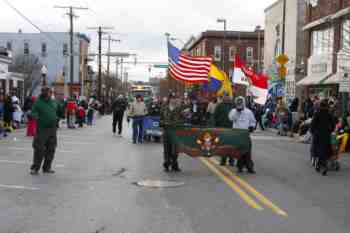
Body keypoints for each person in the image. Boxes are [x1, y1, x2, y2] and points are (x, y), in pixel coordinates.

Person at [30, 87, 58, 175]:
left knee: (51, 148)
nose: (50, 94)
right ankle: (35, 168)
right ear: (44, 93)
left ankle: (47, 167)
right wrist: (35, 116)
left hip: (52, 129)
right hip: (42, 129)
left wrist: (58, 116)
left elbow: (58, 110)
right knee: (39, 149)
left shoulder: (53, 102)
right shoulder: (38, 102)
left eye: (50, 92)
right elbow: (33, 112)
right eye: (48, 92)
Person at [228, 96, 256, 174]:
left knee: (247, 151)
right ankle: (240, 167)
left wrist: (251, 127)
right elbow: (231, 118)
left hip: (245, 134)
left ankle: (249, 167)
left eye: (241, 102)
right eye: (238, 102)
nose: (240, 104)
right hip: (237, 134)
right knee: (239, 152)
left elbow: (253, 121)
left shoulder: (248, 112)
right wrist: (237, 111)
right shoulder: (233, 111)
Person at [160, 94, 184, 172]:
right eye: (172, 98)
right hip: (166, 131)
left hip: (175, 131)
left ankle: (174, 164)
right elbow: (160, 119)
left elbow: (183, 120)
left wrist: (177, 123)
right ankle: (167, 164)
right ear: (169, 99)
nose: (173, 100)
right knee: (167, 149)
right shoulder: (164, 108)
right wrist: (163, 123)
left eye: (174, 98)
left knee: (175, 149)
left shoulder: (179, 109)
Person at [310, 99, 335, 176]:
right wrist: (330, 131)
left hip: (318, 135)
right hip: (326, 135)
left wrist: (312, 131)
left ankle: (320, 165)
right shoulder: (329, 114)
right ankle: (322, 165)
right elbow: (333, 125)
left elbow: (313, 124)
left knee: (318, 150)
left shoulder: (317, 113)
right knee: (324, 150)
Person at [214, 95, 235, 166]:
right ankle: (223, 160)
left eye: (228, 97)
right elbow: (215, 116)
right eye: (225, 97)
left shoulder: (233, 106)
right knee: (223, 145)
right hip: (222, 128)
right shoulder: (219, 106)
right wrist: (215, 126)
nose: (227, 98)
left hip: (232, 128)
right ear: (223, 98)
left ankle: (231, 160)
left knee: (232, 145)